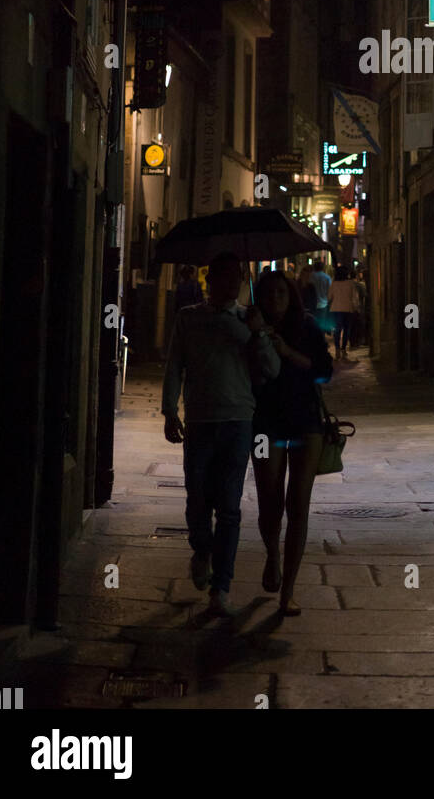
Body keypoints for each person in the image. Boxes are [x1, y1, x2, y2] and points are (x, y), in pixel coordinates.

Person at [161, 251, 280, 617]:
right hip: (199, 419)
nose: (229, 284)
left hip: (237, 420)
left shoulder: (249, 320)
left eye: (236, 278)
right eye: (222, 277)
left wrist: (258, 333)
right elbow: (174, 365)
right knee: (197, 498)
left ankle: (221, 586)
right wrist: (169, 410)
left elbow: (272, 370)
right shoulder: (188, 318)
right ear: (209, 280)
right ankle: (201, 548)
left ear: (241, 283)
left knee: (229, 507)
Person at [250, 269, 334, 617]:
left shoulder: (308, 327)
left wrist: (286, 351)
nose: (275, 300)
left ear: (292, 295)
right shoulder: (250, 327)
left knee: (298, 504)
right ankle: (272, 555)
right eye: (268, 294)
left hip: (306, 423)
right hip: (264, 425)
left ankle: (289, 591)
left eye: (282, 293)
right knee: (269, 501)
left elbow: (325, 372)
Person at [328, 263, 359, 359]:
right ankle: (343, 349)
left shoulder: (334, 284)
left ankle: (337, 349)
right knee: (346, 329)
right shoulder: (350, 284)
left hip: (336, 308)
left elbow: (329, 297)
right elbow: (355, 298)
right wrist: (356, 307)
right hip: (348, 309)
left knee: (337, 329)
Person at [309, 258, 332, 338]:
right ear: (323, 268)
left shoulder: (310, 277)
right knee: (322, 323)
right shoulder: (327, 278)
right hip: (323, 304)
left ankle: (313, 339)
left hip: (312, 304)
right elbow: (330, 291)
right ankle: (321, 339)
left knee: (312, 323)